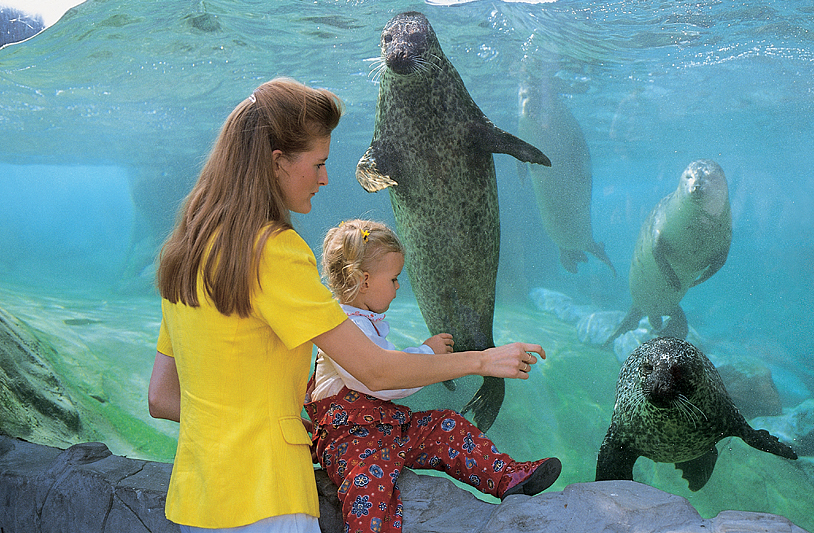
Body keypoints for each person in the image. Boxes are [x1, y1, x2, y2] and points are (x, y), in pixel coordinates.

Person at [147, 77, 548, 533]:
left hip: (196, 502)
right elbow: (374, 371)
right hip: (267, 499)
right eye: (318, 164)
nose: (325, 178)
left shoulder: (187, 250)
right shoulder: (272, 251)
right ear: (277, 163)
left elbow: (162, 398)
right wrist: (480, 360)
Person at [306, 219, 561, 533]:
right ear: (364, 280)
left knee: (446, 426)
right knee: (370, 491)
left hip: (389, 430)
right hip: (350, 446)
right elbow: (385, 383)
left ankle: (508, 476)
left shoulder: (366, 320)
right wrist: (427, 352)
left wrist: (423, 350)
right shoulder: (342, 324)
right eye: (395, 278)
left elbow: (389, 366)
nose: (399, 287)